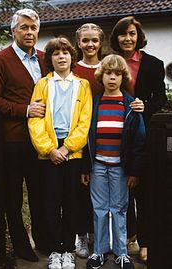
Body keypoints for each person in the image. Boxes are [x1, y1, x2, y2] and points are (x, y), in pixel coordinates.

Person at [73, 22, 144, 259]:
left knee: (120, 209)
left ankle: (122, 252)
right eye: (108, 74)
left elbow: (138, 141)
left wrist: (134, 170)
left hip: (121, 168)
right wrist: (85, 166)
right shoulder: (93, 104)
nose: (112, 78)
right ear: (101, 77)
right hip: (98, 166)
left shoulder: (130, 106)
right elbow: (86, 138)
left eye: (117, 75)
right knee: (100, 210)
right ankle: (100, 251)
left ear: (123, 78)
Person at [0, 8, 48, 262]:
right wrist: (25, 110)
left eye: (33, 28)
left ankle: (43, 240)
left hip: (42, 140)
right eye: (24, 27)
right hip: (13, 139)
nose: (29, 32)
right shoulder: (0, 59)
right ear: (14, 31)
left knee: (41, 192)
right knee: (12, 197)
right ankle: (21, 246)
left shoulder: (44, 58)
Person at [28, 37, 92, 269]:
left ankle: (69, 249)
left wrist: (67, 147)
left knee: (72, 201)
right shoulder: (42, 85)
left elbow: (84, 123)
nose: (61, 56)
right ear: (50, 59)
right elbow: (35, 121)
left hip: (72, 152)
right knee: (51, 201)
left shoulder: (82, 85)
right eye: (56, 53)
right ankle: (56, 249)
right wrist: (49, 149)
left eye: (66, 52)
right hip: (49, 153)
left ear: (72, 57)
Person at [110, 16, 167, 262]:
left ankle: (145, 241)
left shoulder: (153, 64)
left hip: (142, 133)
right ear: (117, 37)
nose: (128, 38)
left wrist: (147, 106)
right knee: (122, 189)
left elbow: (161, 98)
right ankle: (129, 233)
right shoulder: (110, 63)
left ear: (138, 37)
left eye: (132, 34)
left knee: (144, 189)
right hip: (114, 133)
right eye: (123, 34)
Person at [73, 22, 104, 259]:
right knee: (81, 191)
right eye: (85, 40)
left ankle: (99, 235)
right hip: (79, 136)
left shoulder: (109, 67)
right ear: (78, 43)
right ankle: (81, 235)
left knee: (102, 192)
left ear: (101, 42)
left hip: (105, 137)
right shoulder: (73, 70)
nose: (90, 44)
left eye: (94, 40)